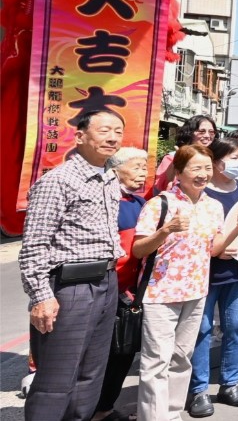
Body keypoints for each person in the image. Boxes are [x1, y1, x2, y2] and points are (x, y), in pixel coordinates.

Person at [19, 110, 126, 421]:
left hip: (106, 282)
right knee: (57, 379)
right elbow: (35, 245)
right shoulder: (57, 181)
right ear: (80, 137)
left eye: (118, 131)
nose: (113, 137)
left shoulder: (109, 177)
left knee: (91, 375)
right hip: (71, 288)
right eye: (105, 130)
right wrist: (40, 296)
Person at [131, 145, 238, 421]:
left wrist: (237, 229)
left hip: (196, 290)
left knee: (182, 358)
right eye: (195, 168)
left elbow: (214, 249)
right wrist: (166, 230)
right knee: (156, 361)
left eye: (207, 168)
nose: (203, 174)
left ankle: (172, 414)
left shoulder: (213, 206)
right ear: (179, 171)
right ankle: (153, 417)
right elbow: (139, 250)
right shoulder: (160, 203)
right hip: (160, 292)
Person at [187, 137, 238, 417]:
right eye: (235, 158)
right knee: (201, 331)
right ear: (216, 161)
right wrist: (214, 248)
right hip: (204, 273)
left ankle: (229, 383)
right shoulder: (200, 192)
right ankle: (198, 390)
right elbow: (187, 233)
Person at [91, 148, 148, 421]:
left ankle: (105, 408)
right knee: (96, 356)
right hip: (100, 289)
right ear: (115, 169)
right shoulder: (101, 202)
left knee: (123, 352)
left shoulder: (138, 203)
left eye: (146, 167)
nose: (143, 173)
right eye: (137, 167)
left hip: (129, 292)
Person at [153, 114, 217, 192]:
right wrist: (175, 162)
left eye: (211, 132)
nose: (207, 135)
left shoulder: (216, 158)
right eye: (201, 132)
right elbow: (160, 188)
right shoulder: (172, 157)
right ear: (189, 133)